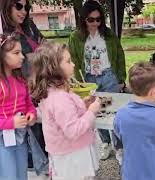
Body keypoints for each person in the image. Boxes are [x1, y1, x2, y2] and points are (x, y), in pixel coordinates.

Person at [29, 42, 101, 180]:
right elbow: (73, 130)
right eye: (68, 61)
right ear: (54, 69)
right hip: (72, 157)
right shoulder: (59, 98)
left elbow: (64, 117)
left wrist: (82, 105)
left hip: (68, 153)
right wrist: (91, 112)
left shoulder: (55, 92)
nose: (73, 64)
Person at [68, 0, 125, 160]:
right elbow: (73, 60)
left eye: (98, 19)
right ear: (83, 19)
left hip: (108, 76)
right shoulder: (76, 37)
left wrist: (121, 78)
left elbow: (120, 56)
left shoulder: (108, 35)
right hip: (89, 78)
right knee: (97, 111)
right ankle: (105, 143)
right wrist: (78, 82)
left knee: (113, 111)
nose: (95, 23)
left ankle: (119, 146)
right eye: (91, 19)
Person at [0, 0, 47, 170]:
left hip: (37, 86)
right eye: (18, 6)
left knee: (38, 130)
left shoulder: (29, 26)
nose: (24, 11)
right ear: (7, 6)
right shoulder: (4, 35)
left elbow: (45, 44)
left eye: (26, 7)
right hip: (20, 89)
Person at [0, 34, 37, 180]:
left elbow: (29, 104)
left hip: (20, 138)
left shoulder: (20, 79)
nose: (22, 57)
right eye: (16, 53)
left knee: (22, 175)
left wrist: (31, 114)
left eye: (21, 52)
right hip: (2, 141)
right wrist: (10, 123)